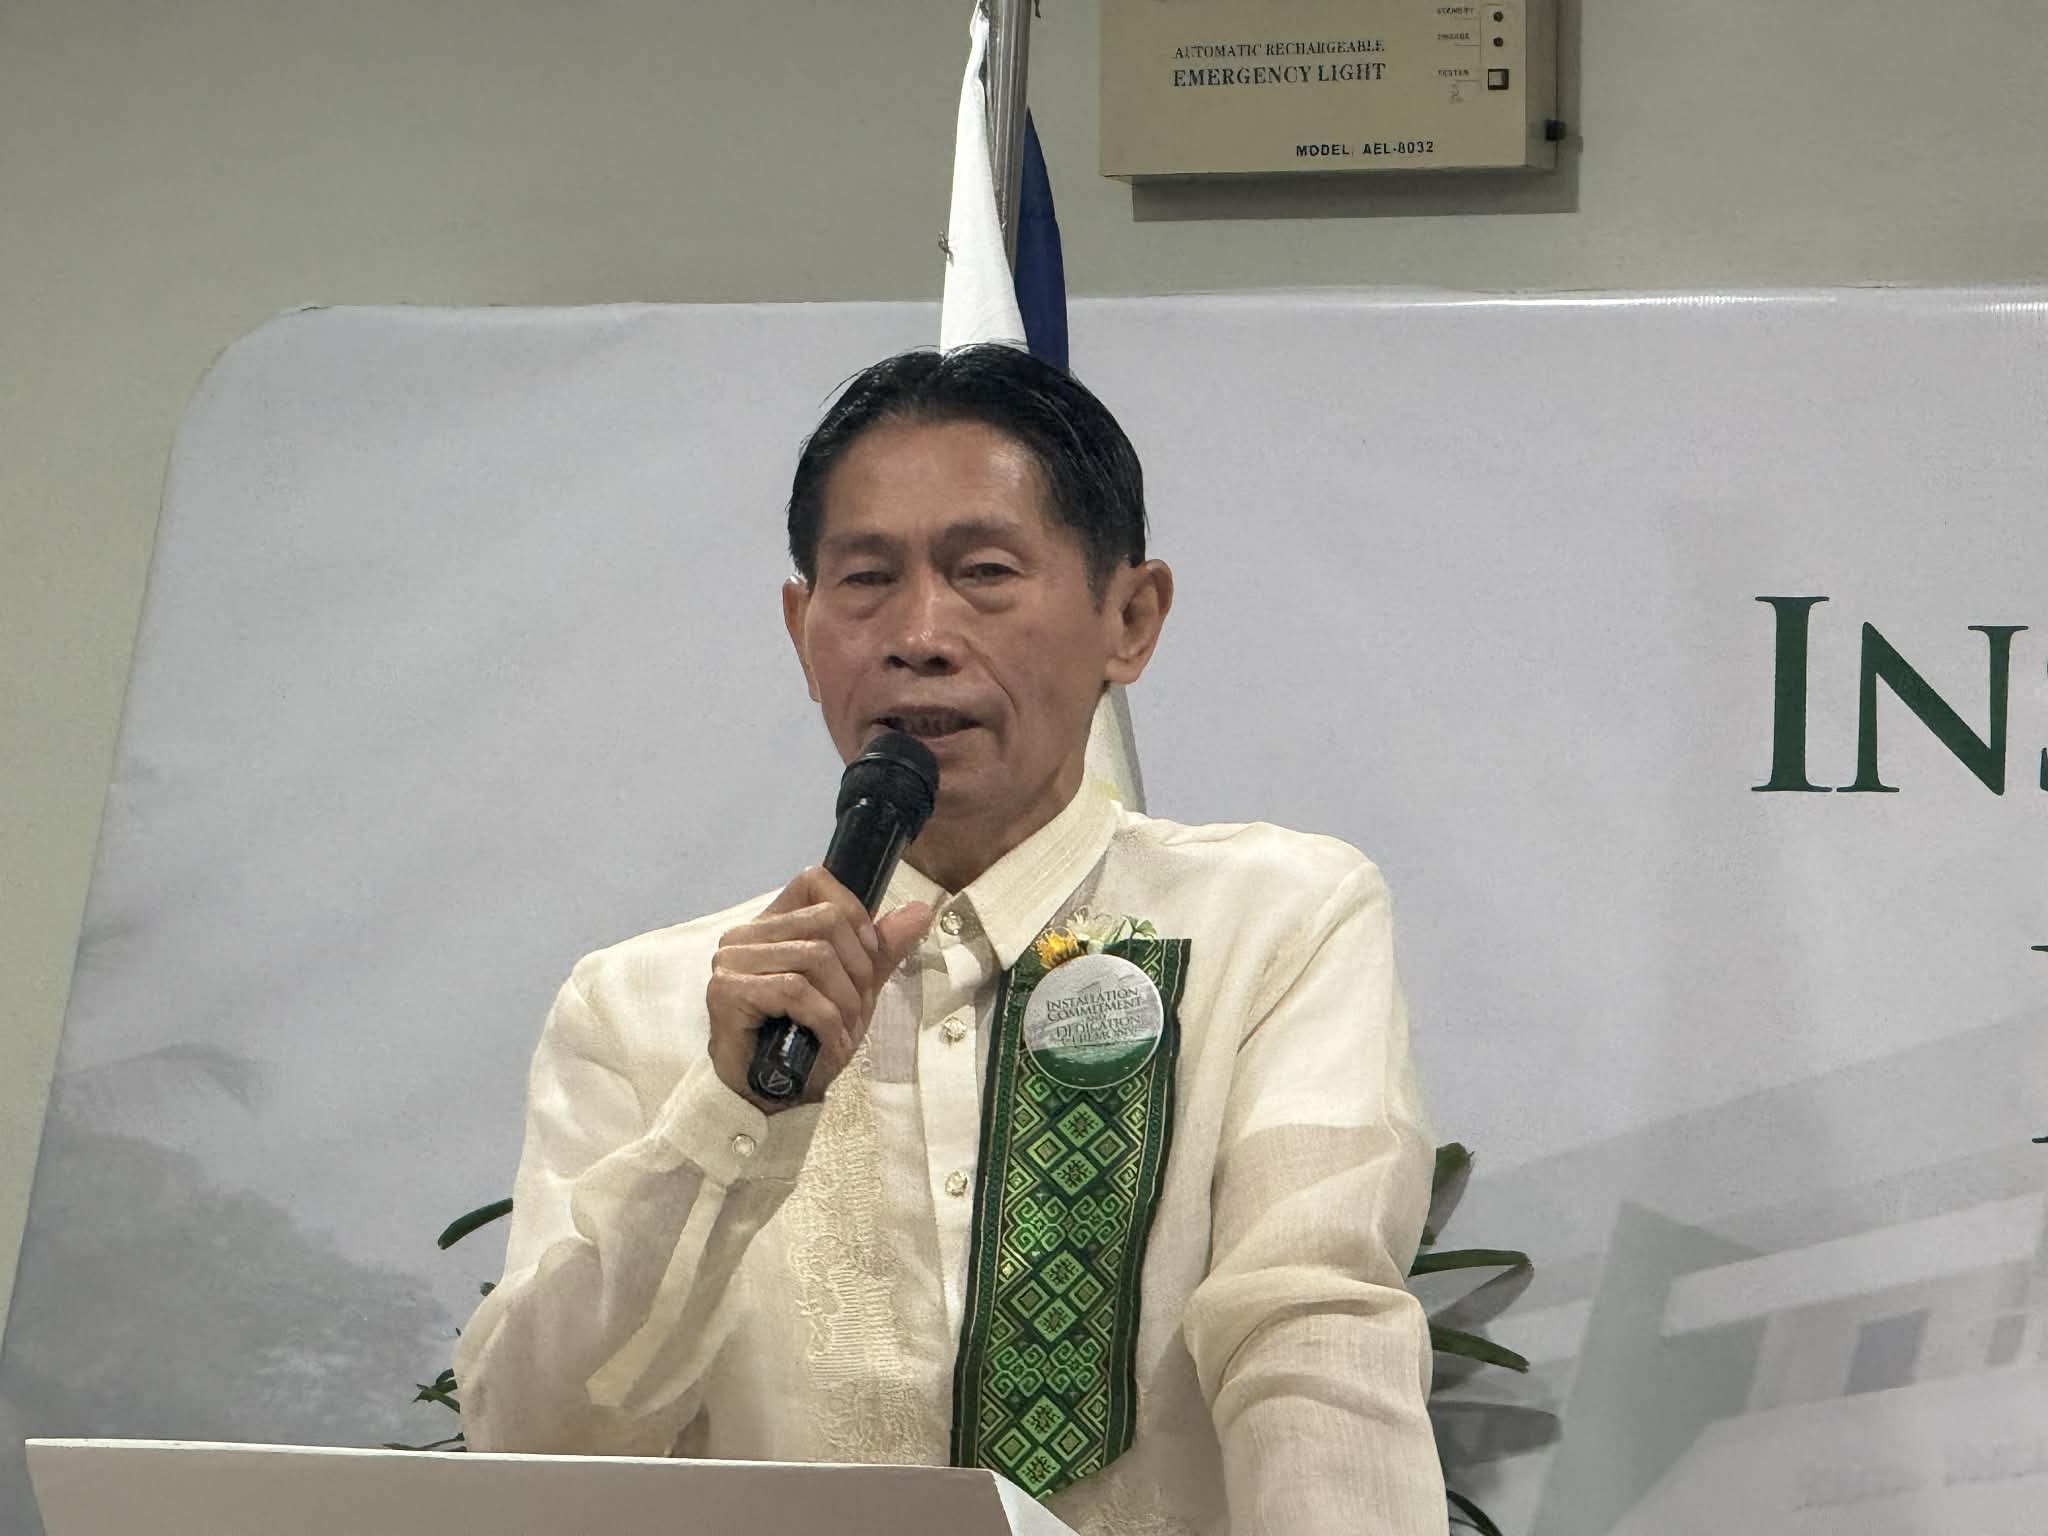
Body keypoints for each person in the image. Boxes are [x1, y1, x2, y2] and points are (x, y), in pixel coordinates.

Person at [455, 344, 1445, 1534]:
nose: (918, 634)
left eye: (983, 573)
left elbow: (1307, 1324)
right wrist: (728, 1116)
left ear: (1129, 619)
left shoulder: (1273, 922)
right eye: (865, 580)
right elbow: (536, 1444)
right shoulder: (644, 1005)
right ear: (801, 627)